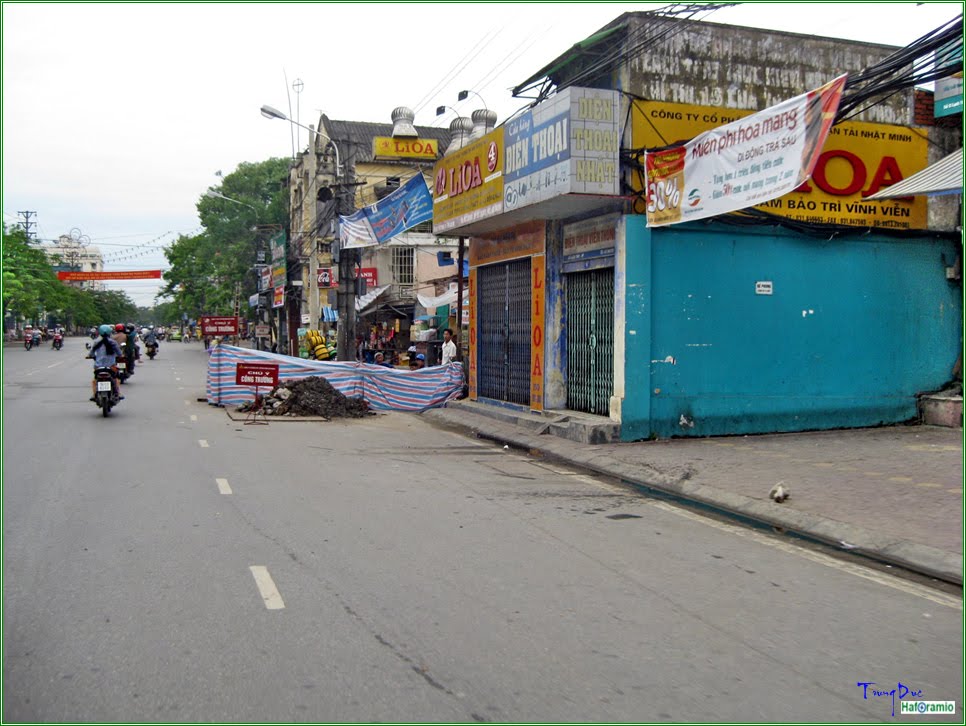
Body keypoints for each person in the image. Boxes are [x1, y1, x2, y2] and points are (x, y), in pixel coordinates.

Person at [87, 324, 124, 400]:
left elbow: (91, 353)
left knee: (95, 380)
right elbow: (119, 353)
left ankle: (94, 395)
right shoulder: (113, 342)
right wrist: (121, 356)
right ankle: (118, 393)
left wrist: (90, 356)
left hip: (98, 367)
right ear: (110, 332)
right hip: (111, 366)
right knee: (115, 378)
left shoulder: (96, 341)